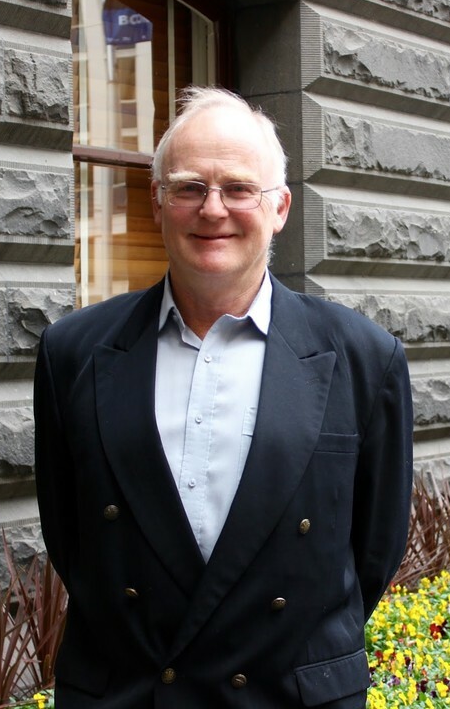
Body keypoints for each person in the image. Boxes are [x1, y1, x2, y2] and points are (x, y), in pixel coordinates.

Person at [34, 86, 414, 709]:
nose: (212, 209)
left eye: (238, 188)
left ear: (280, 207)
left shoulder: (365, 359)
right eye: (188, 187)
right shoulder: (72, 352)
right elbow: (71, 538)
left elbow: (373, 551)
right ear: (157, 203)